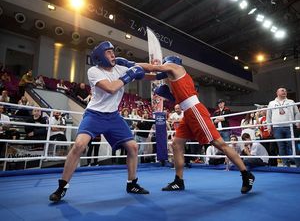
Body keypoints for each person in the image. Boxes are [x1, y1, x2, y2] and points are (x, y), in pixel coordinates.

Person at [117, 55, 255, 194]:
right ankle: (179, 181)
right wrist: (132, 74)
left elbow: (153, 67)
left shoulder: (176, 67)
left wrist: (131, 64)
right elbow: (150, 76)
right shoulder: (175, 77)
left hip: (195, 111)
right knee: (176, 144)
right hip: (187, 113)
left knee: (219, 144)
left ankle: (246, 175)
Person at [49, 41, 148, 202]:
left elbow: (143, 70)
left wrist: (164, 70)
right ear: (101, 56)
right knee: (79, 145)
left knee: (133, 147)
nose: (113, 54)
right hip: (94, 115)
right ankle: (62, 187)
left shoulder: (120, 68)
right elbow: (110, 88)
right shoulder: (94, 71)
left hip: (113, 116)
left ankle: (132, 184)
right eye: (109, 52)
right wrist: (130, 74)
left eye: (113, 51)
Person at [267, 87, 299, 167]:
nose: (284, 91)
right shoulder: (271, 103)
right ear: (277, 93)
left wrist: (297, 122)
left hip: (289, 126)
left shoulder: (291, 101)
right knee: (281, 146)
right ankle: (285, 164)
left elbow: (297, 113)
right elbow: (268, 115)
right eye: (282, 90)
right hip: (277, 127)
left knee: (293, 146)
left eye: (285, 90)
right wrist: (269, 126)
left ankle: (298, 165)